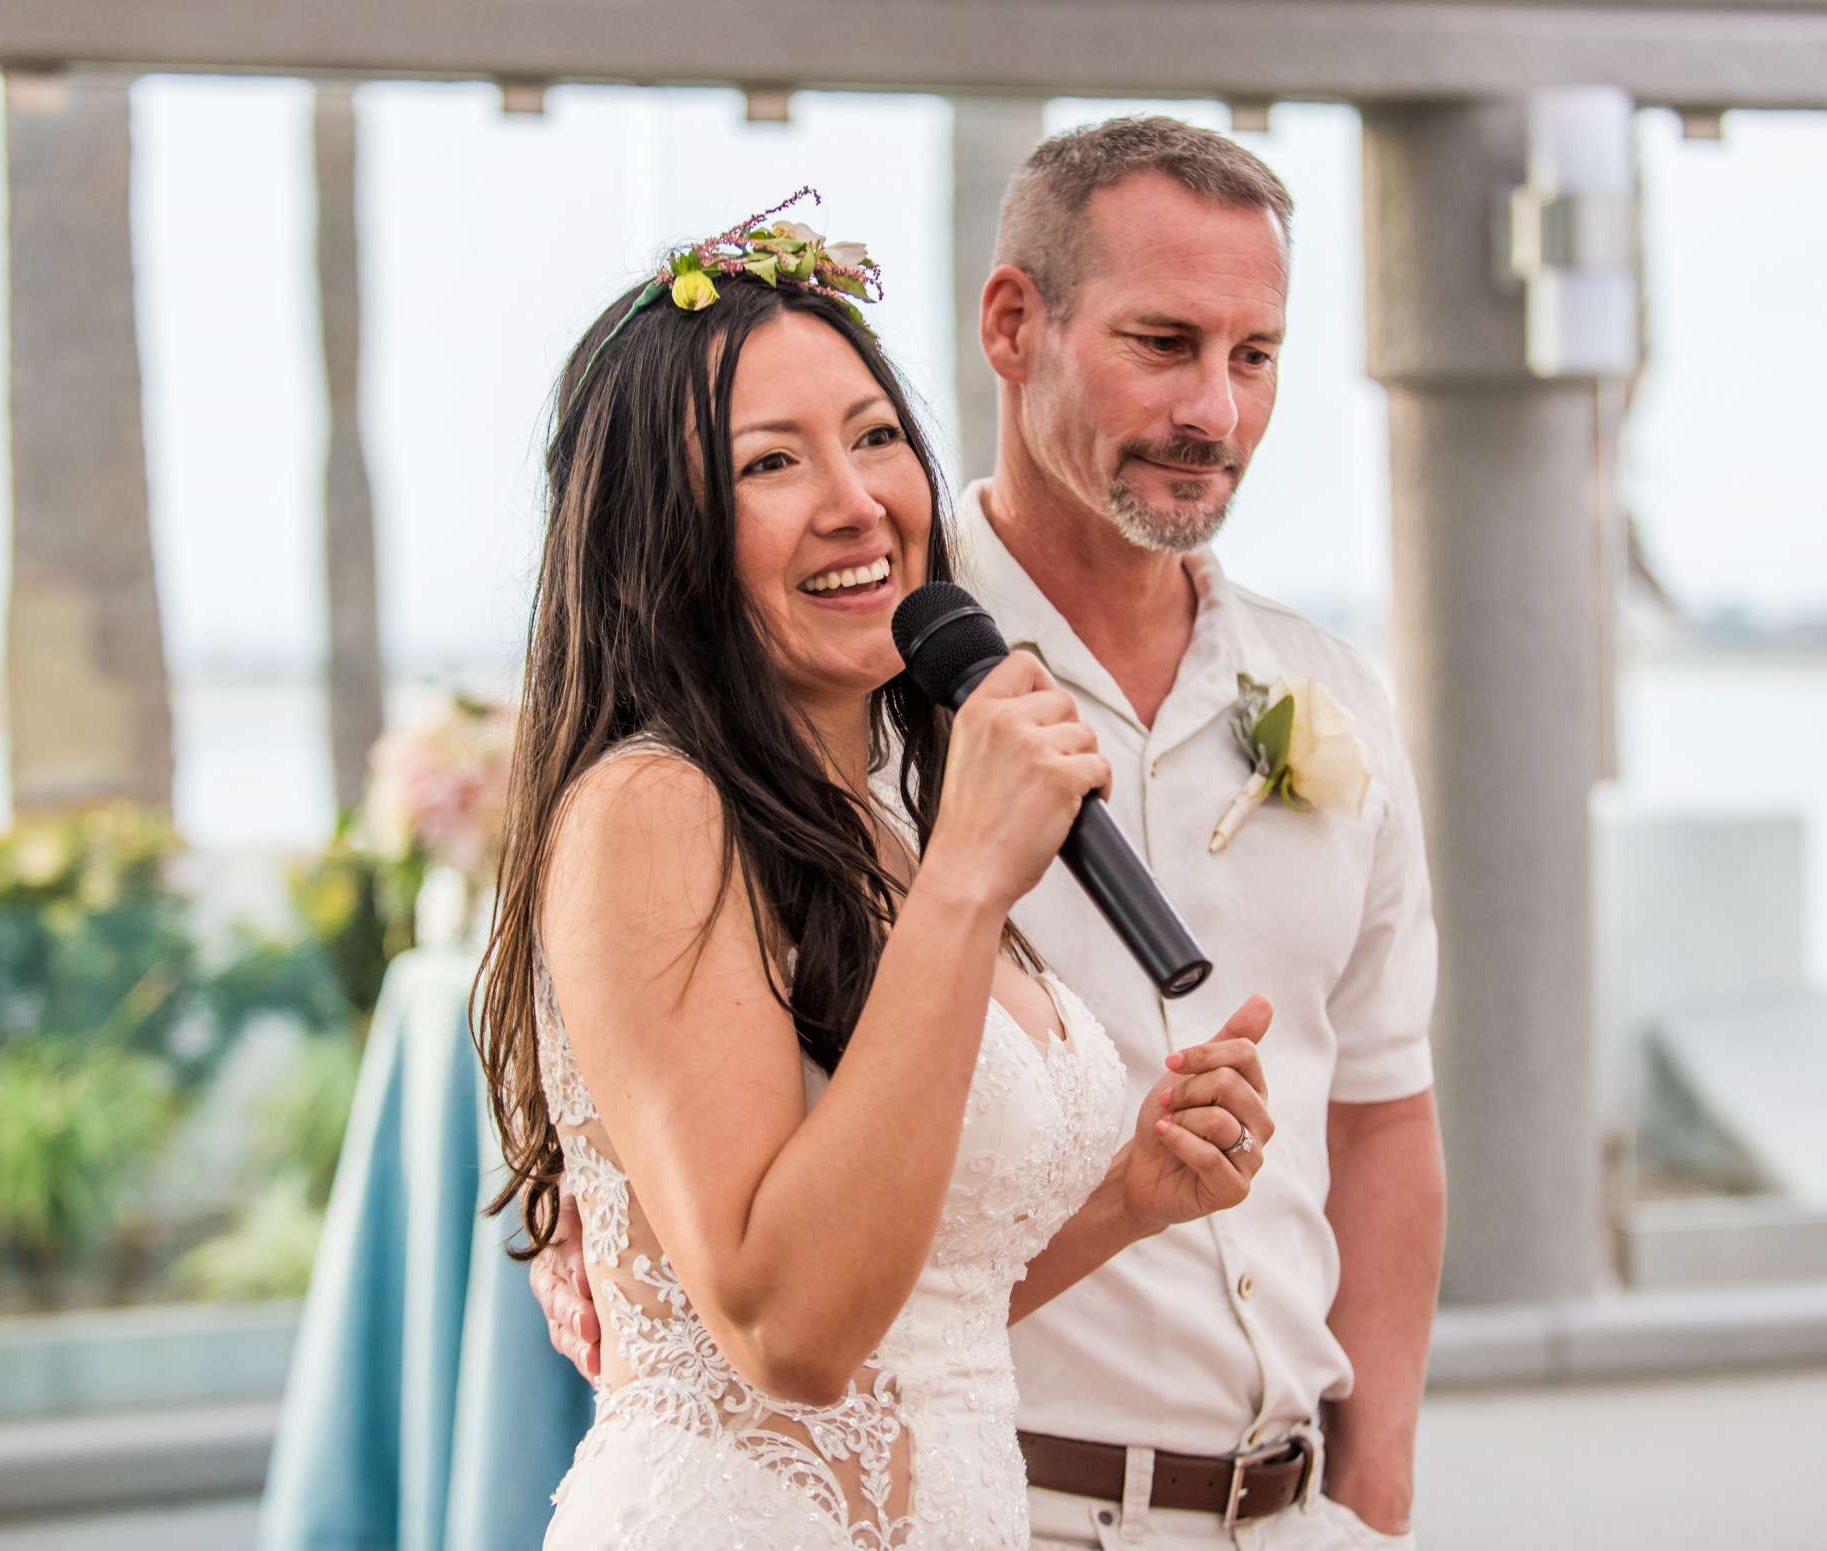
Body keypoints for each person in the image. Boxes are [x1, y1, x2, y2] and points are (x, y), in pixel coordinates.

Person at [533, 122, 1447, 1549]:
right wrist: (570, 1187)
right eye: (1163, 341)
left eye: (1254, 354)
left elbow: (1384, 1104)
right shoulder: (860, 684)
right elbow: (657, 1070)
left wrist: (1368, 1499)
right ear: (1013, 327)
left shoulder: (1316, 687)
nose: (1214, 404)